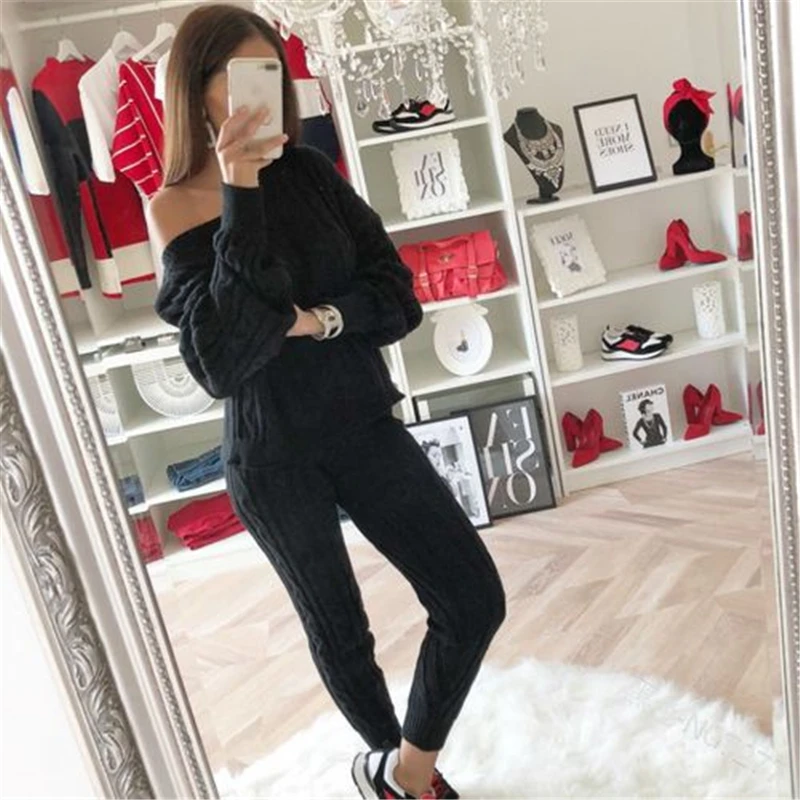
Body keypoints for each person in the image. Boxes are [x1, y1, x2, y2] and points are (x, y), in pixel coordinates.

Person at [147, 6, 506, 799]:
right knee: (341, 632)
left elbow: (397, 297)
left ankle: (402, 772)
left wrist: (317, 320)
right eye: (237, 76)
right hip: (271, 456)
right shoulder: (171, 207)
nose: (259, 92)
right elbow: (222, 360)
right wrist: (238, 190)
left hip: (361, 423)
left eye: (269, 72)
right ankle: (408, 782)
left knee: (473, 598)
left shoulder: (311, 173)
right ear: (196, 90)